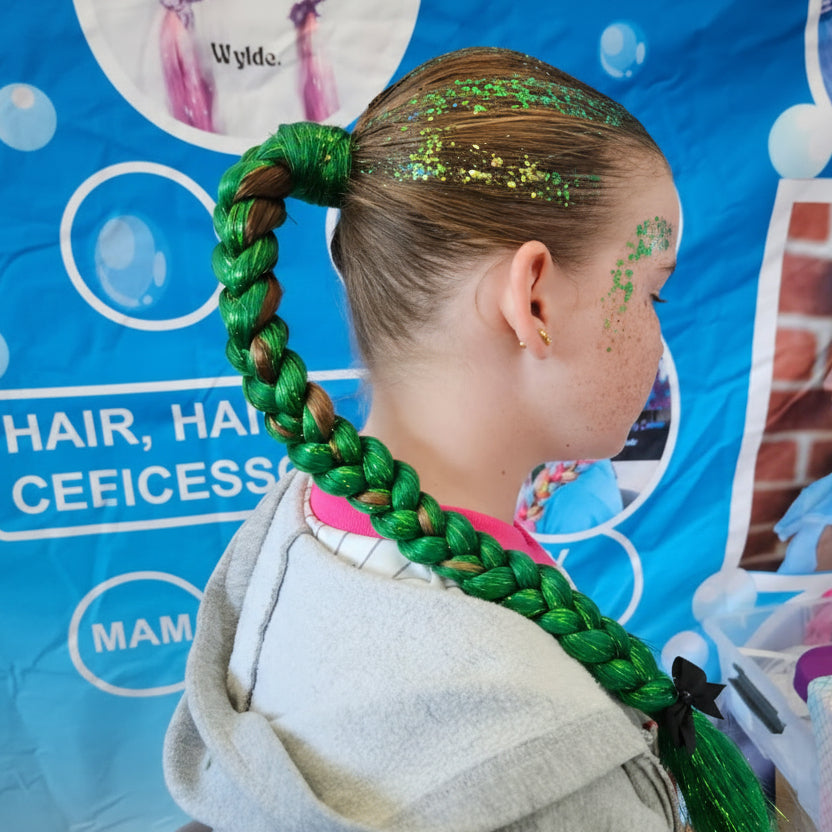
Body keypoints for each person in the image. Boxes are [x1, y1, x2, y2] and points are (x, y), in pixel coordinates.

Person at [164, 47, 770, 832]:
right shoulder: (555, 783)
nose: (659, 337)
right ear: (536, 301)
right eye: (652, 291)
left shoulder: (299, 530)